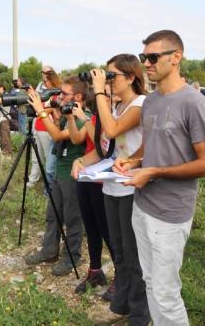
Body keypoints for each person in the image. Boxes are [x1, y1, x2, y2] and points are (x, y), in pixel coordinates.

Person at [114, 30, 205, 325]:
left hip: (170, 214)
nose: (146, 63)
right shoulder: (150, 101)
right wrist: (132, 162)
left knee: (165, 292)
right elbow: (152, 147)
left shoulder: (194, 102)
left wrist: (154, 172)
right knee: (150, 282)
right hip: (142, 205)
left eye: (153, 57)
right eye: (144, 57)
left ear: (176, 58)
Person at [71, 54, 150, 324]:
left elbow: (114, 130)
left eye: (112, 76)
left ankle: (141, 313)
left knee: (133, 252)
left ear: (131, 77)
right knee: (118, 248)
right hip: (111, 187)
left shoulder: (141, 104)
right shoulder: (115, 108)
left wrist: (99, 93)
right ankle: (124, 303)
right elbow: (106, 149)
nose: (108, 81)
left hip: (131, 188)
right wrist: (81, 160)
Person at [24, 76, 88, 277]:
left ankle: (72, 256)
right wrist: (54, 110)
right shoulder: (67, 112)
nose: (60, 96)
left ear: (78, 96)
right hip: (60, 169)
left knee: (72, 216)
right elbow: (58, 129)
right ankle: (49, 250)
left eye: (65, 93)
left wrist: (41, 111)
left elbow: (59, 136)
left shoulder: (85, 116)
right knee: (53, 213)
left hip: (73, 173)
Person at [64, 84, 115, 297]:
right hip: (86, 175)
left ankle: (120, 275)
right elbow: (77, 139)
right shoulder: (94, 117)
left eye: (104, 92)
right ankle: (95, 270)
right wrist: (69, 116)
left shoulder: (111, 118)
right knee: (91, 227)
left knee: (107, 230)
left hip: (104, 179)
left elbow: (101, 146)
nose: (98, 96)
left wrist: (84, 118)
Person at [27, 68, 61, 189]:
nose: (44, 83)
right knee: (36, 156)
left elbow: (50, 109)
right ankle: (32, 180)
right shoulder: (45, 93)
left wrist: (39, 109)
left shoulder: (56, 94)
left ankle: (49, 186)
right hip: (37, 126)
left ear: (52, 81)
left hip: (47, 129)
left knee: (49, 159)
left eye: (45, 80)